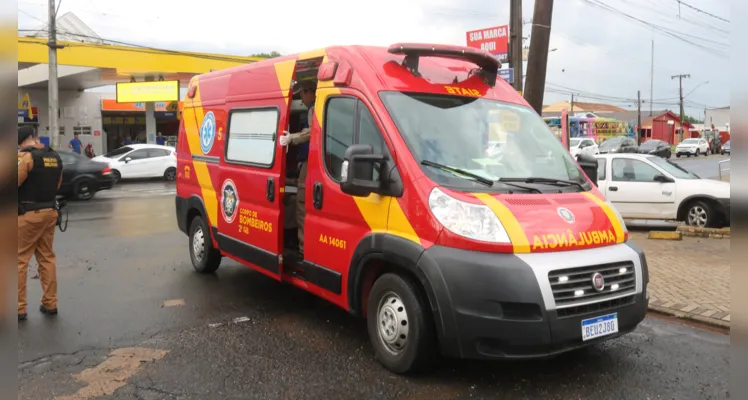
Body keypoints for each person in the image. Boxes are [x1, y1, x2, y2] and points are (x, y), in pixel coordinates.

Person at [17, 126, 63, 321]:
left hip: (27, 214)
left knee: (18, 260)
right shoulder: (54, 157)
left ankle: (18, 308)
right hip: (49, 212)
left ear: (24, 140)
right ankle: (50, 302)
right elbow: (58, 184)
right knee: (46, 258)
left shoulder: (25, 158)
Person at [279, 80, 316, 256]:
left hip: (310, 165)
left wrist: (291, 137)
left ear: (310, 92)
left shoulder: (314, 109)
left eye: (302, 94)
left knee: (301, 206)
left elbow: (312, 132)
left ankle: (303, 250)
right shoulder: (314, 108)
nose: (301, 98)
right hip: (307, 165)